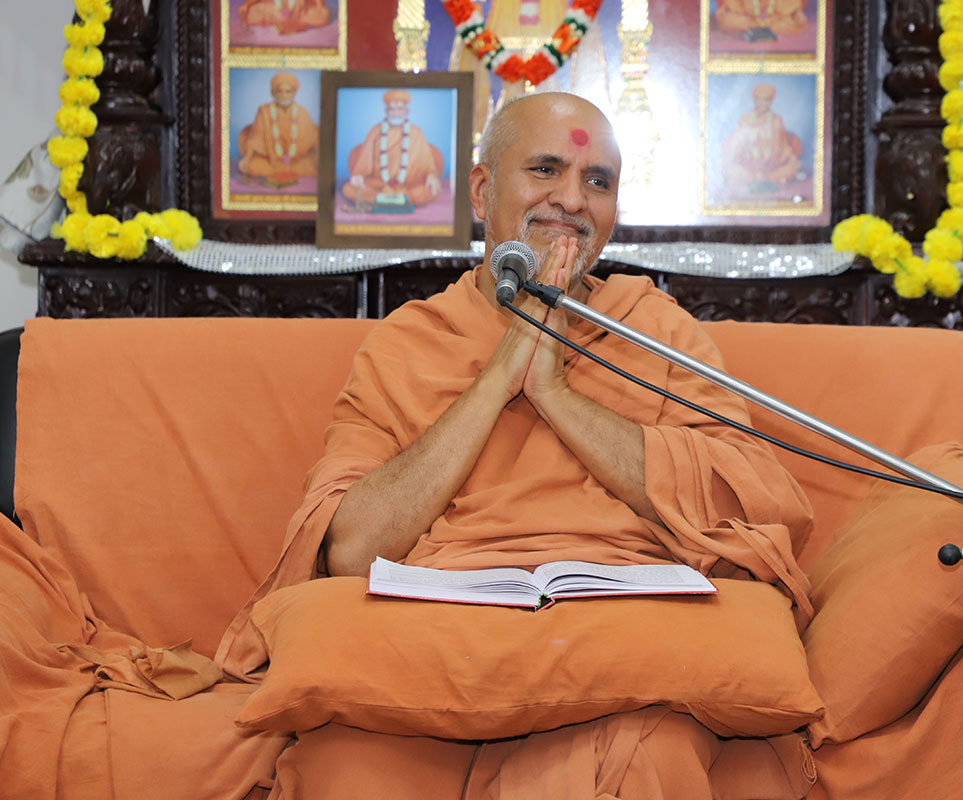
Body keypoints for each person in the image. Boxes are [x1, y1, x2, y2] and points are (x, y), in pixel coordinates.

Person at [220, 92, 814, 796]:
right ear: (481, 190)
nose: (573, 200)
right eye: (546, 169)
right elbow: (350, 548)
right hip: (437, 644)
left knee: (647, 757)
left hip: (624, 648)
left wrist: (555, 393)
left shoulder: (654, 330)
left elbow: (748, 503)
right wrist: (499, 377)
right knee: (346, 772)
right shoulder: (411, 341)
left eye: (598, 181)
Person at [340, 89, 446, 210]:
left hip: (409, 184)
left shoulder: (416, 132)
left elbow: (427, 163)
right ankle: (400, 200)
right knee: (348, 189)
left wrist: (431, 175)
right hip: (379, 183)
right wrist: (359, 175)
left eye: (400, 108)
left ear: (407, 111)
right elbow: (365, 159)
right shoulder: (375, 131)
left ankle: (383, 200)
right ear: (386, 111)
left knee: (428, 191)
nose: (396, 112)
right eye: (392, 109)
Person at [236, 71, 320, 183]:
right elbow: (255, 139)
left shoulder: (302, 113)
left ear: (294, 93)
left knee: (312, 165)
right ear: (273, 93)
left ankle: (287, 169)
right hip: (270, 160)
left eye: (288, 91)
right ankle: (281, 169)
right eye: (280, 91)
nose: (284, 95)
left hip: (295, 160)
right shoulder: (264, 112)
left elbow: (312, 138)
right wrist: (247, 159)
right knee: (252, 166)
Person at [721, 83, 804, 191]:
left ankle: (767, 178)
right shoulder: (745, 119)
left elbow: (783, 145)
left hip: (772, 168)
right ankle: (760, 179)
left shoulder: (777, 120)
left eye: (767, 100)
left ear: (771, 101)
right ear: (754, 100)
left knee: (794, 165)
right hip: (749, 168)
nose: (763, 103)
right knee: (729, 169)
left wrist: (787, 156)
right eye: (760, 99)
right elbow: (738, 146)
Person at [715, 0, 809, 40]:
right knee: (728, 20)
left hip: (778, 18)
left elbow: (792, 7)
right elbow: (730, 6)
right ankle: (759, 27)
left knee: (794, 23)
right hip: (746, 18)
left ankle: (765, 27)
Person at [237, 0, 331, 36]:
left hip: (299, 11)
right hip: (273, 8)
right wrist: (247, 5)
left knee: (323, 15)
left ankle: (289, 22)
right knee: (251, 13)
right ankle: (284, 22)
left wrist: (318, 5)